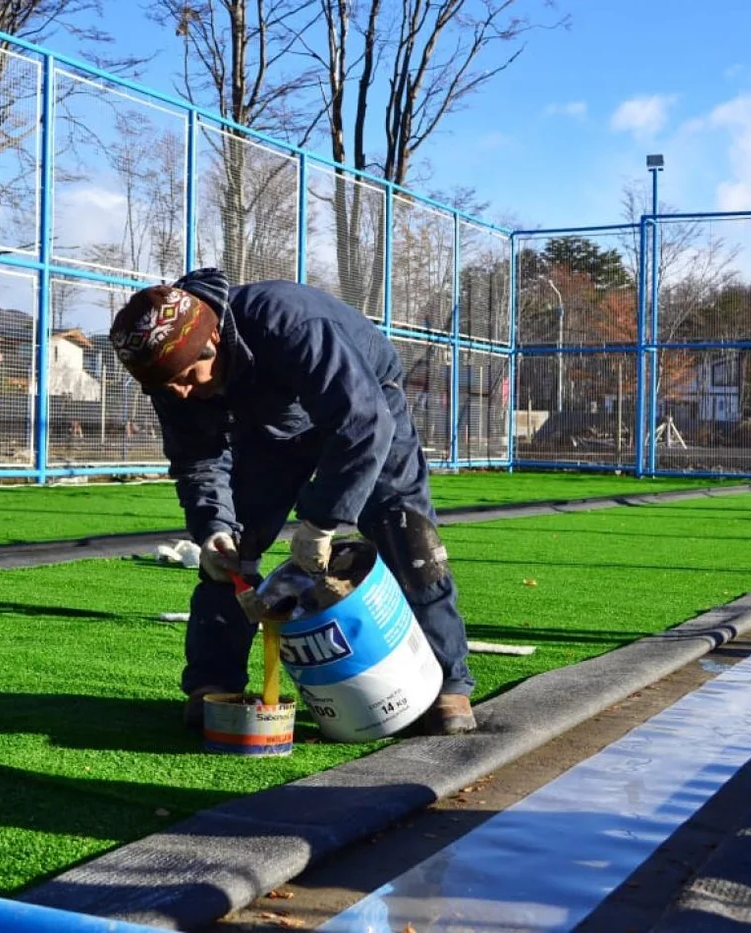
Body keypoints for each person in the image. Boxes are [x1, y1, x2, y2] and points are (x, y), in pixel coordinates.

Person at [109, 269, 477, 736]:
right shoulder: (167, 374)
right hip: (270, 432)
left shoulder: (288, 322)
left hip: (369, 405)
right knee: (229, 556)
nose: (180, 393)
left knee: (410, 539)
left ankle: (449, 683)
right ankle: (212, 683)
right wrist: (213, 528)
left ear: (215, 340)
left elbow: (361, 425)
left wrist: (321, 522)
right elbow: (198, 460)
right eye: (166, 387)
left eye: (186, 378)